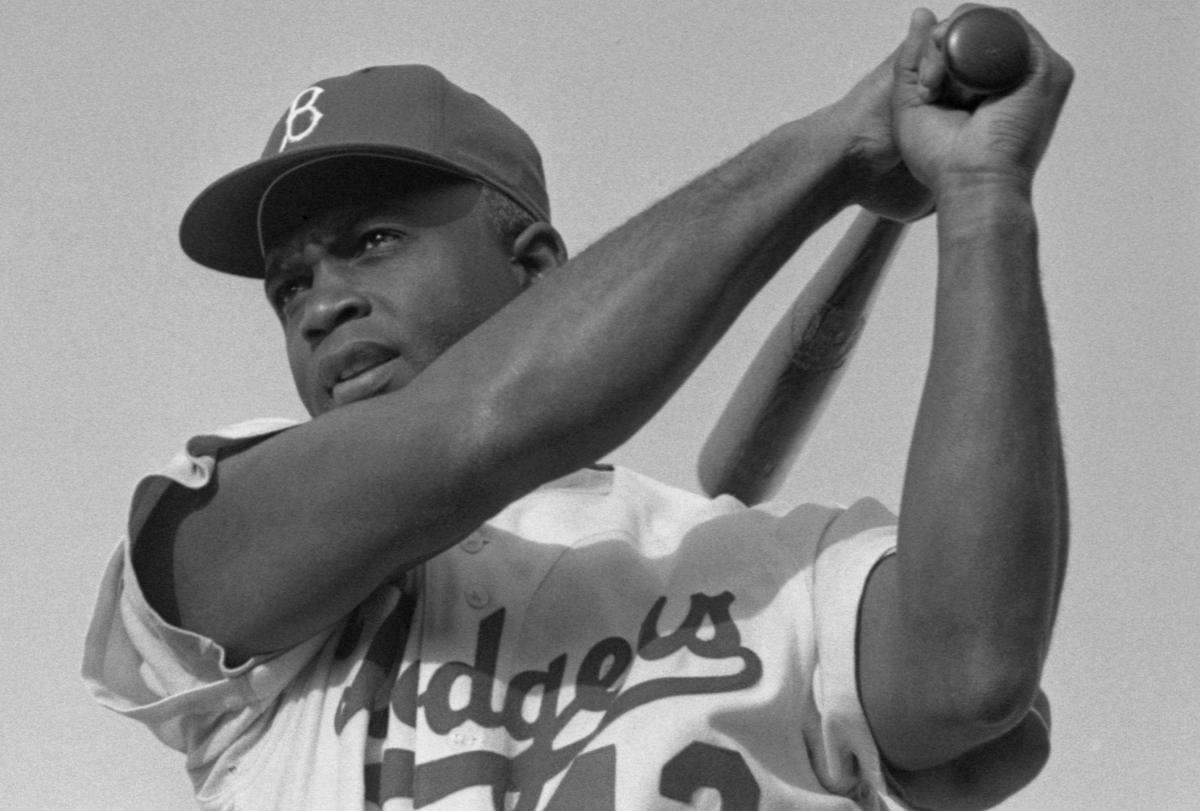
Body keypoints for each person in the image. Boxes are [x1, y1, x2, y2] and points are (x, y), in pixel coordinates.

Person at [83, 7, 1073, 810]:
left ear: (537, 269)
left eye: (373, 241)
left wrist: (985, 197)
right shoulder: (217, 533)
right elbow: (484, 428)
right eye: (289, 285)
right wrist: (830, 148)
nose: (319, 304)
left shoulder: (775, 568)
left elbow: (971, 672)